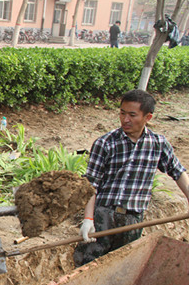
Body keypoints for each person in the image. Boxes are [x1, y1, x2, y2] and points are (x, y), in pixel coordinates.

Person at [73, 89, 189, 267]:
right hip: (104, 214)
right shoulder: (105, 143)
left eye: (132, 115)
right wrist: (88, 219)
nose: (125, 119)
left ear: (147, 117)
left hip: (133, 219)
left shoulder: (158, 144)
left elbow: (178, 172)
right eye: (122, 113)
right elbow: (91, 184)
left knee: (122, 265)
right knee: (89, 263)